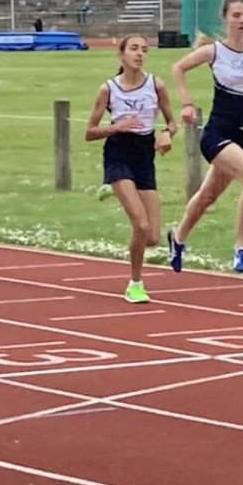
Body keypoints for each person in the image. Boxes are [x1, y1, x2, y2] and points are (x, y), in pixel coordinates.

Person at [166, 0, 243, 274]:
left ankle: (178, 237)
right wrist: (186, 103)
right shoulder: (215, 51)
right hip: (217, 134)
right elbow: (179, 67)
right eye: (236, 15)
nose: (242, 20)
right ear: (225, 18)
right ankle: (241, 250)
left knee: (208, 195)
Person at [85, 34, 177, 303]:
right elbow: (89, 132)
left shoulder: (156, 85)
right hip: (118, 153)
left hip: (144, 158)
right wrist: (117, 127)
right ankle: (135, 284)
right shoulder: (108, 89)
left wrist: (166, 134)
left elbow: (172, 122)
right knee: (140, 223)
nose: (140, 54)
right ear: (121, 55)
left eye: (144, 50)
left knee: (152, 237)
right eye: (134, 49)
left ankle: (114, 189)